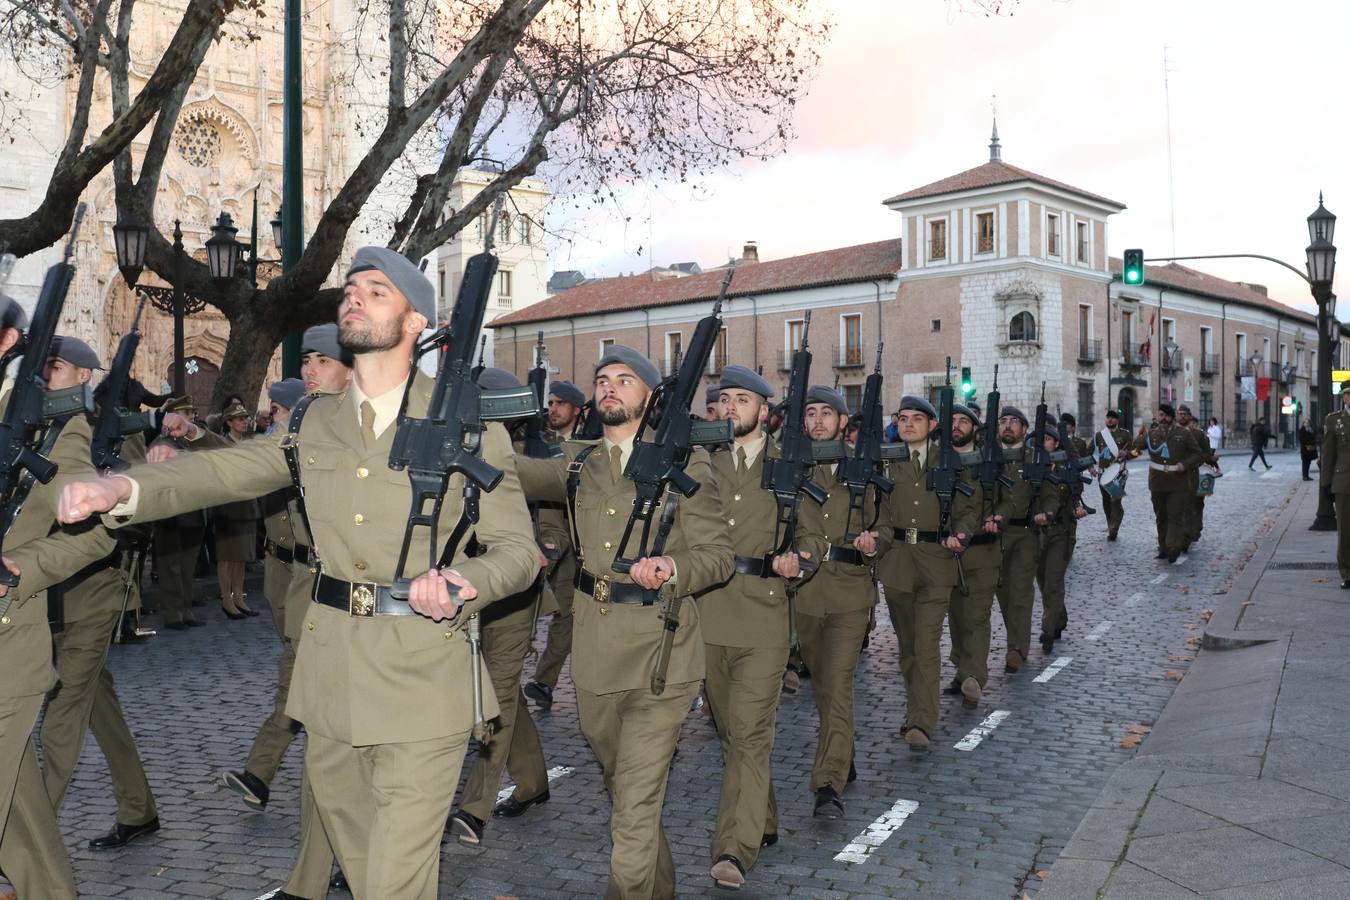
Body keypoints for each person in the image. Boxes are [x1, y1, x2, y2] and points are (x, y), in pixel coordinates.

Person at [57, 246, 540, 899]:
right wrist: (125, 491)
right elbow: (228, 469)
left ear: (417, 322)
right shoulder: (316, 422)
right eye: (353, 288)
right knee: (369, 875)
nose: (356, 296)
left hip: (425, 678)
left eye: (377, 290)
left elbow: (516, 548)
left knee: (397, 882)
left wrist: (466, 581)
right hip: (332, 675)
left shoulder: (469, 428)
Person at [513, 344, 733, 899]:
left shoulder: (687, 465)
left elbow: (718, 555)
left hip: (662, 652)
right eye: (603, 379)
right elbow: (510, 471)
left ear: (651, 396)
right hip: (594, 654)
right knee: (623, 786)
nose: (610, 387)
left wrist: (673, 565)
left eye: (625, 380)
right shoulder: (579, 464)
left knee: (633, 800)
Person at [0, 306, 122, 900]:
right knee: (21, 816)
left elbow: (95, 533)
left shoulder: (51, 428)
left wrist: (20, 568)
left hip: (4, 651)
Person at [700, 365, 825, 890]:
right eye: (723, 399)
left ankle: (735, 845)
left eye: (741, 400)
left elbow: (814, 539)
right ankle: (764, 816)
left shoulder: (791, 465)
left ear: (764, 412)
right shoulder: (701, 462)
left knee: (750, 734)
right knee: (729, 732)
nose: (730, 408)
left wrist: (800, 559)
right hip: (706, 615)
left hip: (764, 615)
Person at [35, 337, 160, 853]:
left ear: (84, 376)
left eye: (57, 367)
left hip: (93, 590)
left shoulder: (107, 435)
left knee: (62, 712)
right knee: (94, 703)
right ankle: (139, 808)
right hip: (46, 595)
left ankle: (24, 844)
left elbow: (141, 496)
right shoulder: (39, 429)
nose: (46, 376)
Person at [449, 368, 553, 845]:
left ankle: (475, 806)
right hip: (462, 589)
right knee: (501, 690)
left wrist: (548, 545)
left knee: (500, 688)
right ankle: (531, 781)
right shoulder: (449, 447)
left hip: (513, 593)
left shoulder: (520, 458)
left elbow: (556, 510)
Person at [795, 386, 887, 820]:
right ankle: (842, 752)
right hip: (805, 595)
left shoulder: (864, 467)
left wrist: (875, 541)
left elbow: (886, 522)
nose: (817, 421)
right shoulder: (790, 467)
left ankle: (827, 783)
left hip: (851, 590)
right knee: (823, 685)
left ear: (843, 421)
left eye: (826, 414)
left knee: (836, 682)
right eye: (810, 413)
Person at [877, 395, 977, 753]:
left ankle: (922, 719)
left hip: (937, 561)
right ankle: (914, 708)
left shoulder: (949, 462)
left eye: (916, 419)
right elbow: (879, 513)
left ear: (932, 425)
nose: (908, 424)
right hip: (898, 563)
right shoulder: (887, 461)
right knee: (907, 649)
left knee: (926, 644)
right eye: (902, 418)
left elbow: (969, 509)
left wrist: (961, 535)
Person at [524, 379, 585, 711]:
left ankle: (545, 682)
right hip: (535, 536)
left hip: (572, 545)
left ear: (576, 409)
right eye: (551, 402)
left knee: (565, 614)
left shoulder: (588, 446)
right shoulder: (539, 444)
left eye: (561, 403)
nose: (554, 408)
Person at [944, 403, 1001, 707]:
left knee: (977, 616)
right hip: (947, 554)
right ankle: (962, 668)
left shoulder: (989, 462)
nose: (956, 425)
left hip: (981, 550)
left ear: (974, 428)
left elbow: (1009, 497)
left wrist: (999, 516)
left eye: (963, 421)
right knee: (956, 616)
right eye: (952, 420)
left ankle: (974, 677)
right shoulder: (938, 461)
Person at [993, 406, 1057, 674]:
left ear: (1025, 429)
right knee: (1002, 592)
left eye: (1014, 422)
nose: (1008, 426)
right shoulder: (989, 459)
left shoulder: (1035, 459)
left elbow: (1051, 492)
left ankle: (1016, 649)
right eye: (1003, 421)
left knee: (1020, 590)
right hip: (994, 537)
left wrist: (1047, 511)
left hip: (1025, 534)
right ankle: (1016, 637)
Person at [151, 396, 208, 630]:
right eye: (185, 414)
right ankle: (173, 613)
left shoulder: (192, 442)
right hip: (170, 513)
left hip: (193, 510)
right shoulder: (161, 444)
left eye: (191, 413)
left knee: (187, 566)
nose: (191, 417)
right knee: (171, 566)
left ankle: (186, 609)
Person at [1035, 419, 1087, 654]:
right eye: (1040, 439)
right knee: (1044, 582)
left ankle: (1047, 630)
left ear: (1056, 443)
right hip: (1037, 535)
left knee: (1053, 581)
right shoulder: (1032, 466)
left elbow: (1076, 493)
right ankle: (1059, 618)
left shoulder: (1067, 467)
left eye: (1047, 439)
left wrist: (1078, 507)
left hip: (1061, 532)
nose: (1043, 443)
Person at [1133, 403, 1203, 564]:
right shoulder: (1153, 433)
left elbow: (1197, 454)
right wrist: (1138, 437)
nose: (1162, 418)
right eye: (1160, 415)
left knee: (1175, 516)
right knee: (1161, 516)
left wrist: (1184, 464)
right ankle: (1163, 547)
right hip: (1157, 482)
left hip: (1178, 483)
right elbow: (1136, 448)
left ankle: (1173, 547)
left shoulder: (1183, 434)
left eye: (1165, 415)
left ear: (1171, 417)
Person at [213, 401, 260, 619]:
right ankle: (226, 598)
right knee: (227, 556)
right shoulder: (223, 444)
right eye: (239, 419)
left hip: (247, 503)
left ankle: (239, 596)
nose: (244, 422)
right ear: (229, 422)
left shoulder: (248, 443)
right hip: (229, 506)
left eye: (245, 418)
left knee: (241, 556)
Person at [1093, 408, 1135, 541]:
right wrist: (1089, 467)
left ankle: (1114, 528)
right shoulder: (1099, 435)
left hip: (1118, 474)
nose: (1110, 419)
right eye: (1108, 417)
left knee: (1115, 501)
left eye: (1113, 417)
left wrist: (1126, 453)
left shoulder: (1125, 434)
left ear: (1117, 420)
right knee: (1106, 502)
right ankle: (1110, 524)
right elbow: (1088, 452)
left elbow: (1135, 452)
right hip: (1103, 474)